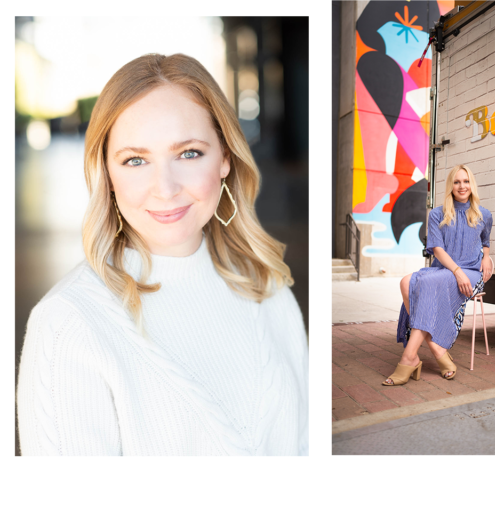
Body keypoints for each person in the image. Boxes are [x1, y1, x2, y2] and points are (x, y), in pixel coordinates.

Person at [16, 54, 309, 456]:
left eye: (188, 153)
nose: (165, 188)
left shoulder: (268, 288)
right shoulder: (68, 324)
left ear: (224, 157)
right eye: (135, 160)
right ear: (107, 173)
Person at [384, 165, 493, 385]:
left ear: (472, 184)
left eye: (465, 181)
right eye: (456, 182)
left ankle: (409, 358)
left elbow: (485, 242)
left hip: (471, 273)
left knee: (424, 285)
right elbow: (437, 249)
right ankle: (438, 350)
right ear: (450, 186)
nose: (461, 186)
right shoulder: (437, 213)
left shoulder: (484, 215)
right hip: (447, 270)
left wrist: (487, 257)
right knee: (406, 282)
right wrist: (456, 271)